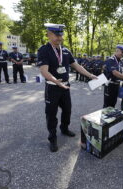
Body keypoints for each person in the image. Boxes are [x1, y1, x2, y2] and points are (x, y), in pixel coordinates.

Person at [38, 23, 97, 152]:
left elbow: (76, 66)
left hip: (65, 86)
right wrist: (55, 81)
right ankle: (52, 138)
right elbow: (44, 70)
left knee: (67, 110)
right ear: (48, 35)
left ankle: (64, 129)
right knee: (51, 113)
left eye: (60, 35)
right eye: (55, 35)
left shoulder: (65, 50)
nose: (59, 38)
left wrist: (90, 75)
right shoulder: (44, 50)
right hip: (53, 87)